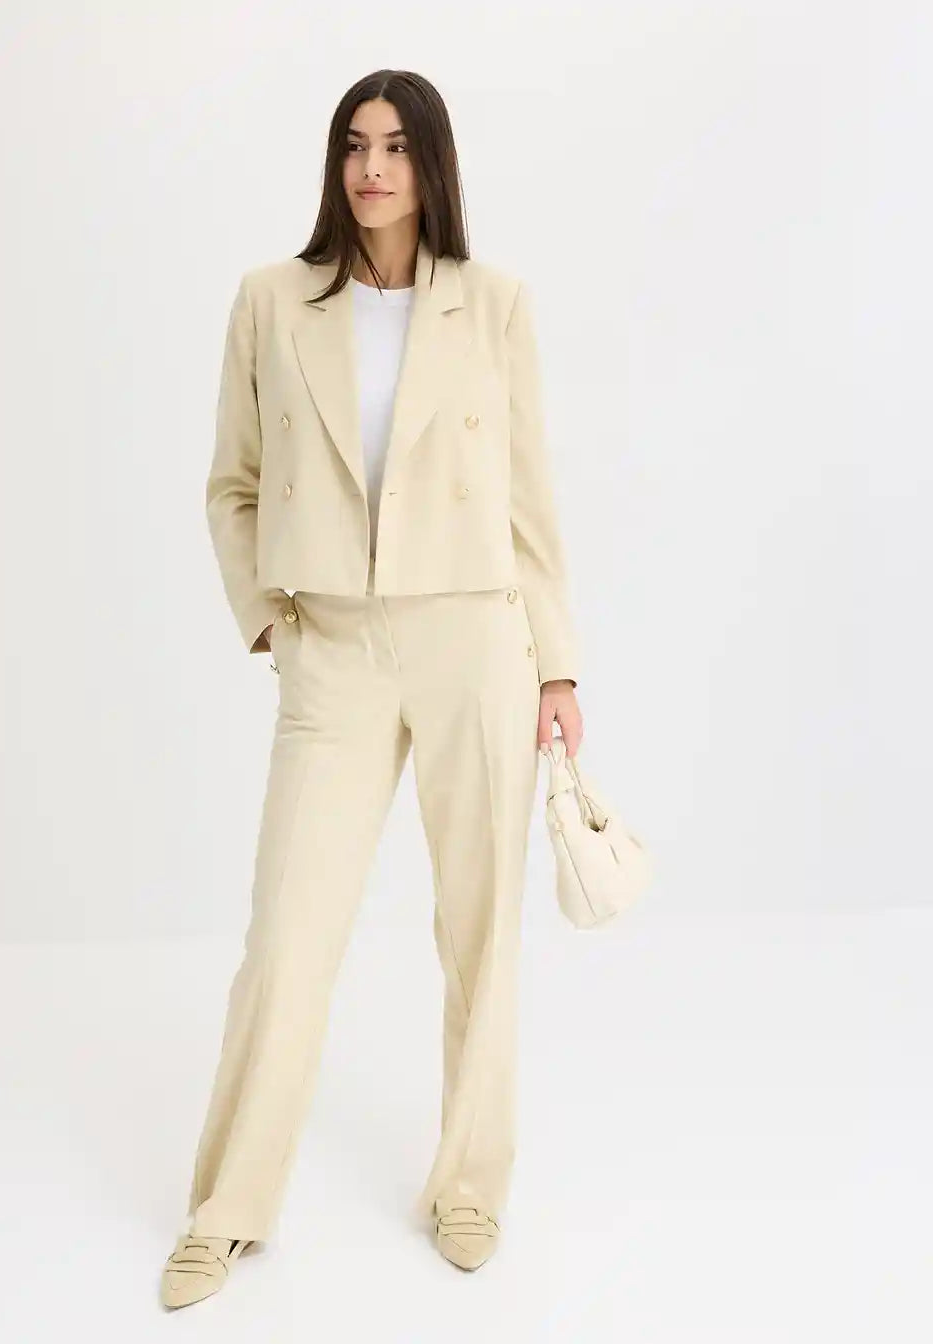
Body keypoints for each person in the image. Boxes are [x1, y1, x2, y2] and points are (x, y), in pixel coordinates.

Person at [160, 68, 583, 1308]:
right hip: (332, 648)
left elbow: (531, 499)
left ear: (431, 163)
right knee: (287, 938)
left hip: (474, 638)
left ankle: (469, 1185)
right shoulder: (271, 300)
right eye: (354, 145)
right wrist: (272, 624)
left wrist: (558, 664)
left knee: (480, 932)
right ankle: (227, 1209)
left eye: (396, 146)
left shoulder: (495, 305)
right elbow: (232, 485)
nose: (372, 168)